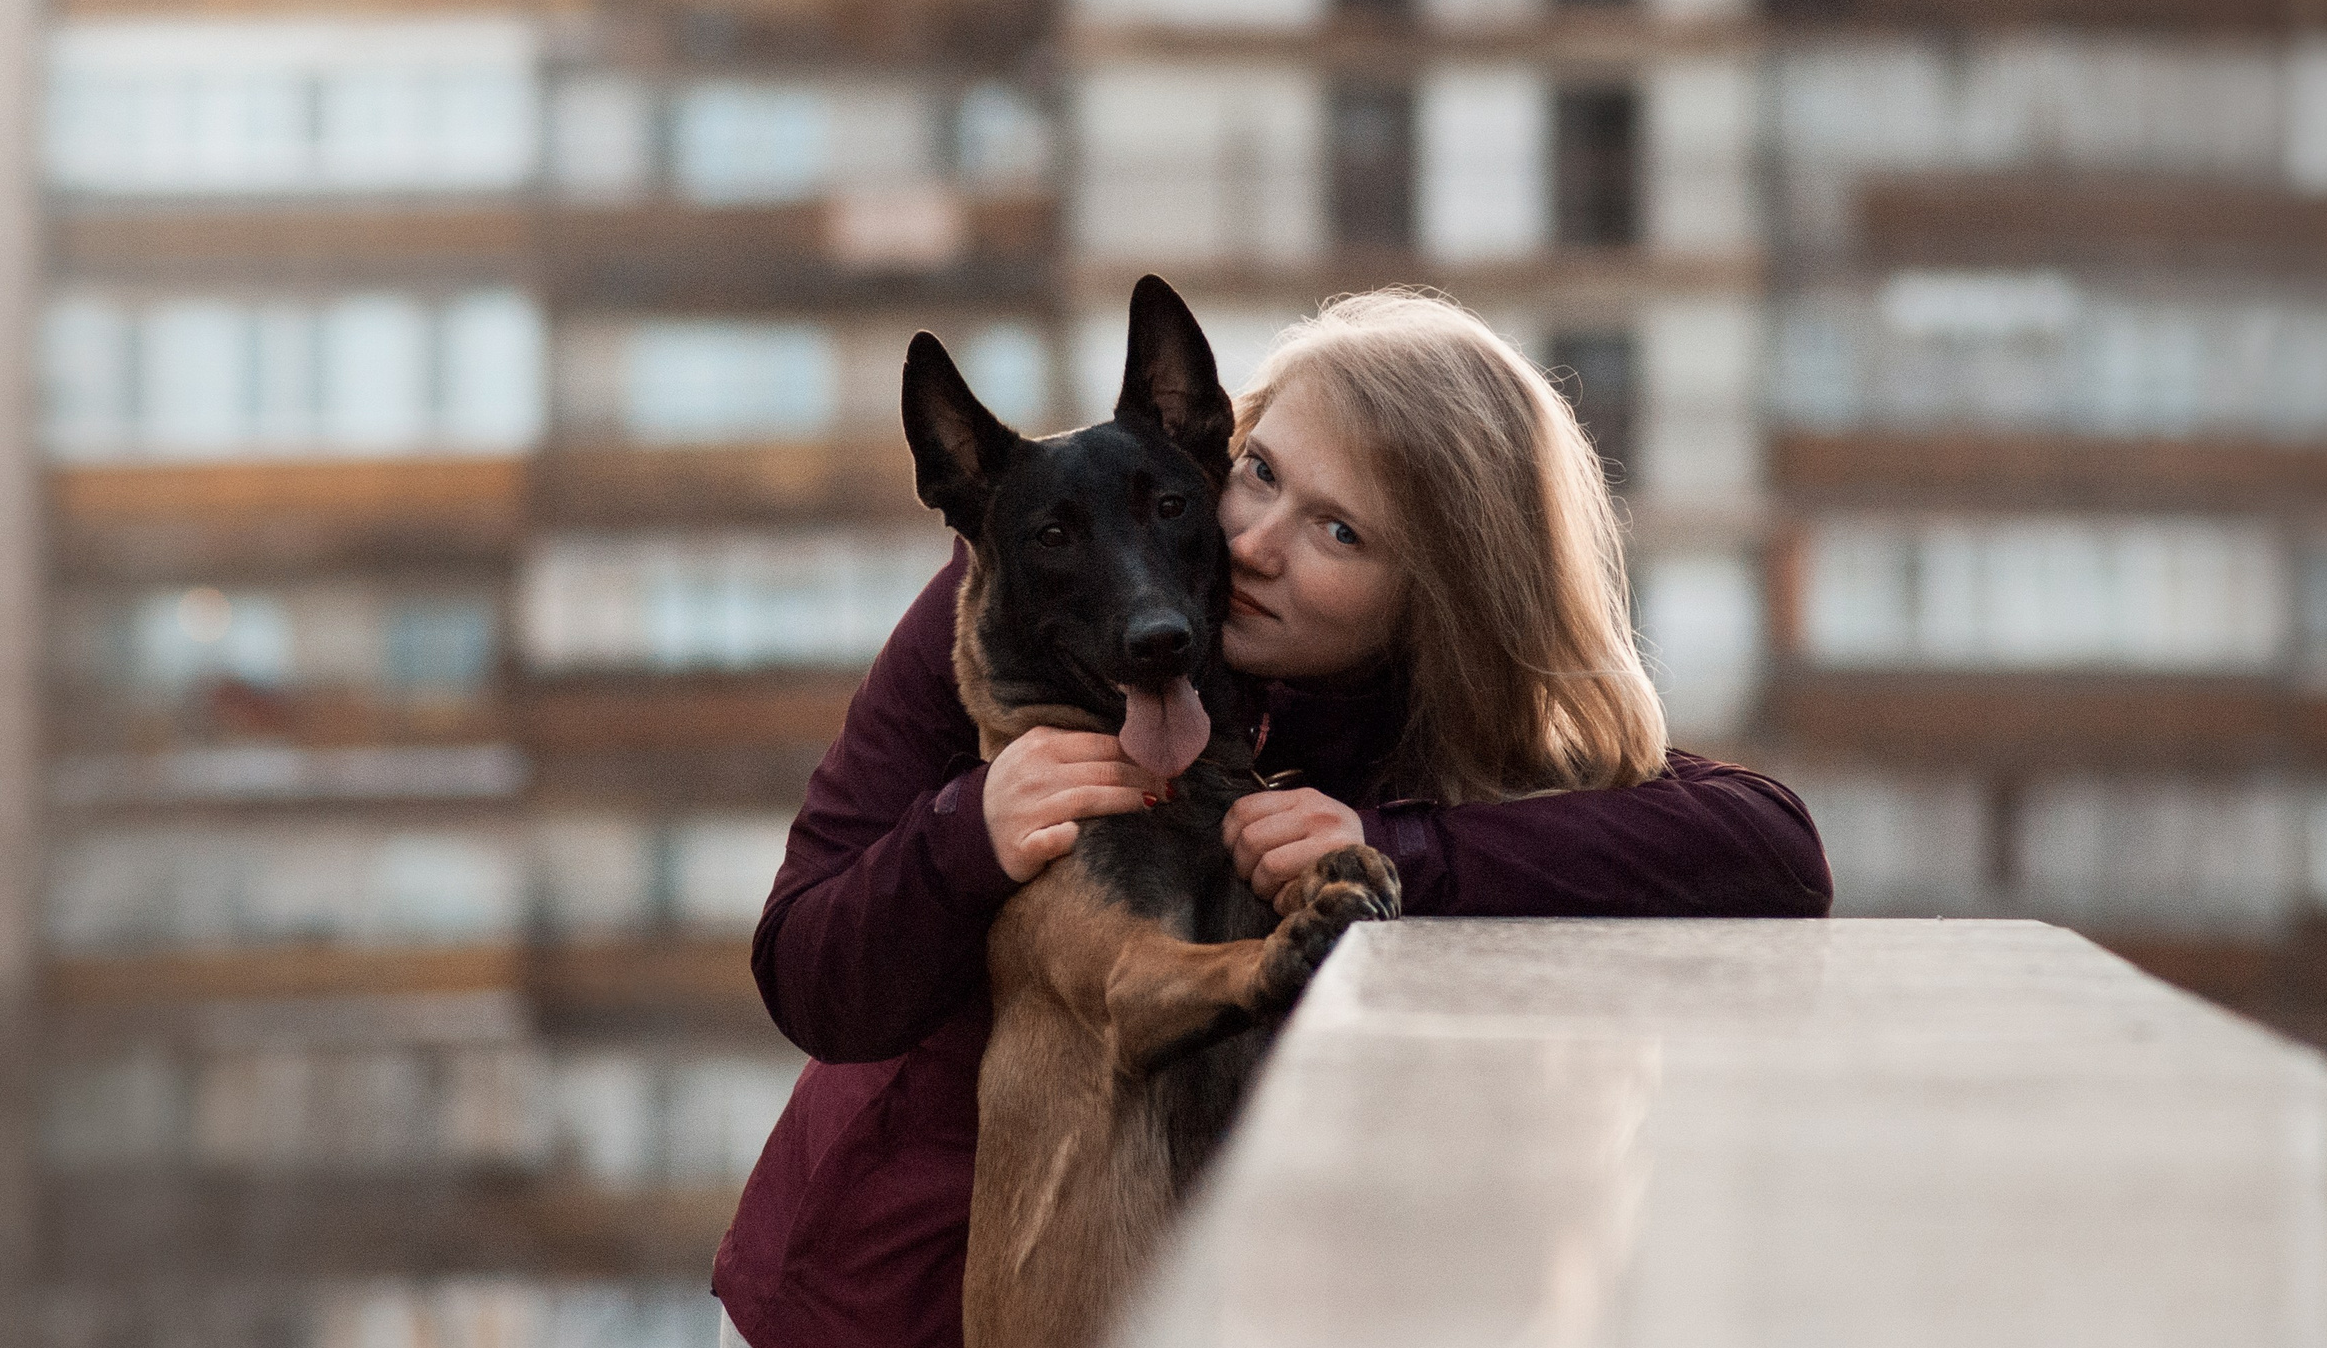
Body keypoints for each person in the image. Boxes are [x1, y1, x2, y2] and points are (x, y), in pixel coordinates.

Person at [712, 290, 1833, 1348]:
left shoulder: (1439, 727)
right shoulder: (1028, 589)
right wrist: (963, 835)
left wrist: (1400, 851)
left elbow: (1768, 854)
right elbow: (807, 974)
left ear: (1441, 595)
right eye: (1257, 473)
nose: (1252, 544)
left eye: (1339, 531)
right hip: (882, 1299)